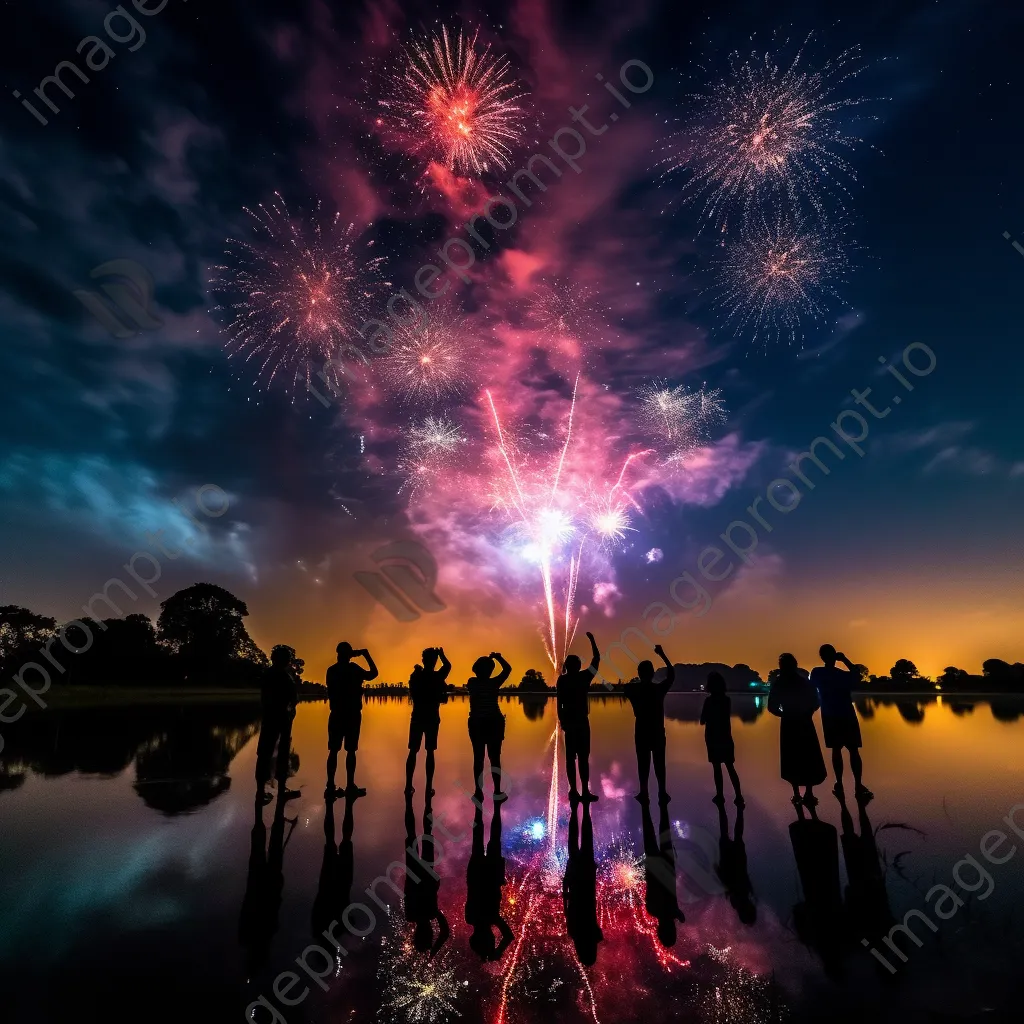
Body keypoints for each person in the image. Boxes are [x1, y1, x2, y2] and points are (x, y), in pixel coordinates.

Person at [810, 644, 873, 803]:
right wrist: (844, 659)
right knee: (853, 750)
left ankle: (839, 783)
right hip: (846, 713)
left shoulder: (817, 673)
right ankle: (857, 785)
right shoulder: (842, 675)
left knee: (836, 750)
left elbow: (812, 688)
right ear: (834, 656)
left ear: (822, 657)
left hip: (830, 715)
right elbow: (856, 675)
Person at [768, 653, 827, 807]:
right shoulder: (803, 682)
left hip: (789, 722)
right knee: (808, 755)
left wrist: (783, 714)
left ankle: (796, 793)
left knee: (792, 756)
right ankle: (808, 792)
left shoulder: (779, 683)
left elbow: (771, 707)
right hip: (804, 721)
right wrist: (808, 711)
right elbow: (816, 701)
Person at [325, 642, 378, 799]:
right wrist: (366, 655)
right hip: (352, 714)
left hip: (336, 714)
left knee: (334, 750)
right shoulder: (353, 669)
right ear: (349, 654)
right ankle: (349, 785)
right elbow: (373, 674)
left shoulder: (332, 670)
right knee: (351, 751)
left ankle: (330, 786)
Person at [624, 644, 675, 803]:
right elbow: (671, 675)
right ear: (652, 673)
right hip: (657, 731)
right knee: (659, 763)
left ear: (639, 674)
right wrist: (663, 655)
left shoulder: (633, 690)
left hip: (642, 732)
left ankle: (644, 792)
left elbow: (624, 687)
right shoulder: (658, 689)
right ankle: (661, 792)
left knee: (643, 763)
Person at [556, 631, 601, 803]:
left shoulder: (567, 679)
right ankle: (577, 791)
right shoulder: (581, 677)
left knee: (577, 757)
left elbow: (559, 702)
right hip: (577, 722)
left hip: (575, 722)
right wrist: (592, 640)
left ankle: (576, 791)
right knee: (579, 757)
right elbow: (596, 660)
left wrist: (562, 721)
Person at [465, 802, 513, 960]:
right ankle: (478, 805)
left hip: (492, 876)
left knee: (494, 838)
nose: (494, 938)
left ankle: (497, 805)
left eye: (492, 940)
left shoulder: (492, 917)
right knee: (477, 839)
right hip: (476, 875)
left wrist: (497, 951)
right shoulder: (470, 917)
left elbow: (509, 937)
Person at [403, 791, 449, 955]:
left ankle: (425, 799)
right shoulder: (412, 915)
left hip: (426, 873)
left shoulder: (431, 913)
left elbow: (445, 933)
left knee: (426, 832)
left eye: (430, 935)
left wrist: (435, 949)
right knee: (412, 834)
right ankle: (409, 799)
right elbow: (407, 891)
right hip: (414, 871)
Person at [255, 644, 300, 805]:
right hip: (281, 720)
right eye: (287, 658)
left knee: (264, 754)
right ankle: (281, 791)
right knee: (280, 754)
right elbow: (293, 699)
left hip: (269, 719)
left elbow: (265, 699)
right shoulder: (283, 676)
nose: (288, 661)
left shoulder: (268, 674)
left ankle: (261, 792)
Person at [405, 647, 451, 797]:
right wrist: (442, 655)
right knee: (430, 751)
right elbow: (448, 666)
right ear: (435, 661)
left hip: (417, 717)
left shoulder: (416, 676)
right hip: (432, 717)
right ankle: (429, 786)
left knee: (413, 751)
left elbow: (413, 692)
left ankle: (408, 785)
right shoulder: (437, 677)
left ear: (423, 660)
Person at [467, 651, 512, 801]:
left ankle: (478, 791)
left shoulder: (472, 682)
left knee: (478, 758)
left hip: (477, 723)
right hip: (494, 723)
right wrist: (498, 657)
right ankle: (497, 791)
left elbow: (507, 670)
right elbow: (507, 669)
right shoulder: (494, 683)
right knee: (495, 758)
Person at [640, 799, 685, 947]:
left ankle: (662, 803)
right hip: (654, 869)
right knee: (650, 833)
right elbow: (649, 888)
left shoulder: (674, 912)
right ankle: (645, 804)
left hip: (667, 868)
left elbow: (679, 916)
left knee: (664, 832)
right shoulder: (652, 910)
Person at [563, 800, 603, 964]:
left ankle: (585, 807)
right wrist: (565, 883)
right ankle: (574, 807)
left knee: (587, 839)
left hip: (587, 880)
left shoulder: (595, 935)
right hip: (575, 882)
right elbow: (566, 907)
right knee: (573, 842)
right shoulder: (574, 933)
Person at [700, 671, 744, 807]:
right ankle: (738, 795)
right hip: (725, 736)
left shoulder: (708, 701)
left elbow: (702, 720)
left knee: (716, 768)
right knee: (730, 767)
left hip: (713, 736)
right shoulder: (727, 700)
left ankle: (720, 795)